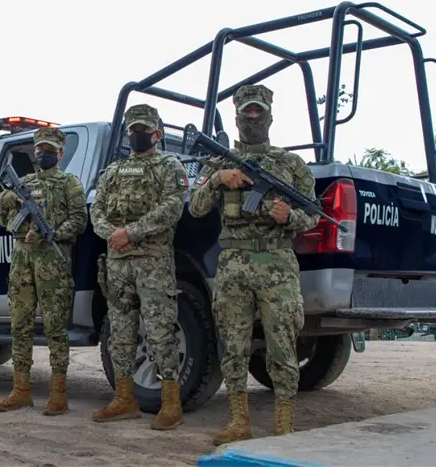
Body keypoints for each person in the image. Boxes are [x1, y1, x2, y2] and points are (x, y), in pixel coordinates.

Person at [188, 84, 316, 443]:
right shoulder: (220, 162)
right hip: (233, 266)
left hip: (277, 263)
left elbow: (314, 215)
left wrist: (290, 216)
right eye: (248, 111)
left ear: (271, 115)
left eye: (259, 111)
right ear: (237, 115)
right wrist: (217, 179)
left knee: (282, 344)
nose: (253, 117)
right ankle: (238, 421)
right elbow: (196, 208)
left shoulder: (291, 165)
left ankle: (284, 424)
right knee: (233, 344)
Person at [89, 104, 189, 431]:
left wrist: (130, 232)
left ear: (157, 134)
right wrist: (113, 235)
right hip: (118, 262)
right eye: (132, 130)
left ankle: (171, 403)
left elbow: (172, 208)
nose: (137, 135)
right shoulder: (114, 171)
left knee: (160, 330)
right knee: (120, 331)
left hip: (152, 261)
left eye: (143, 130)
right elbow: (97, 210)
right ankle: (124, 399)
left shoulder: (169, 166)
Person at [0, 127, 87, 415]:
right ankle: (20, 389)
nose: (43, 154)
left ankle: (58, 393)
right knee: (19, 325)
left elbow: (80, 220)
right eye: (40, 149)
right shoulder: (23, 182)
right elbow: (3, 220)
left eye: (49, 150)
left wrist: (53, 234)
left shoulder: (70, 183)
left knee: (55, 328)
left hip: (53, 263)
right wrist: (7, 200)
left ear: (60, 154)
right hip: (22, 261)